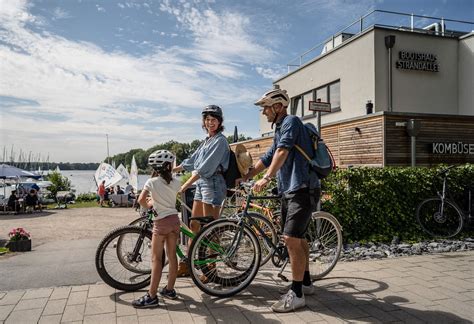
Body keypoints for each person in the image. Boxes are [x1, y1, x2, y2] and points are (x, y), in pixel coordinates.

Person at [241, 88, 320, 313]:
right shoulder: (280, 128)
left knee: (291, 239)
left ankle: (296, 295)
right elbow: (268, 157)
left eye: (266, 107)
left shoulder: (291, 122)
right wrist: (246, 175)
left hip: (303, 188)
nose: (264, 112)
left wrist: (266, 178)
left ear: (278, 107)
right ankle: (304, 283)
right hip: (290, 190)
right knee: (298, 237)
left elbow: (282, 152)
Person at [172, 105, 229, 277]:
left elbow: (205, 168)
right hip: (202, 184)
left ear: (220, 122)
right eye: (207, 120)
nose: (210, 123)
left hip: (213, 183)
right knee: (194, 224)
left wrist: (184, 185)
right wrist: (171, 170)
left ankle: (211, 268)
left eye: (214, 119)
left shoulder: (220, 141)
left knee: (211, 228)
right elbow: (192, 161)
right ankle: (189, 262)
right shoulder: (207, 141)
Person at [132, 150, 181, 308]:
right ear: (169, 165)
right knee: (172, 257)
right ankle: (170, 289)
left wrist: (150, 206)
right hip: (175, 221)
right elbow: (169, 197)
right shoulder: (176, 182)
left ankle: (151, 296)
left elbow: (141, 200)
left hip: (161, 223)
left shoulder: (151, 182)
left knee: (156, 259)